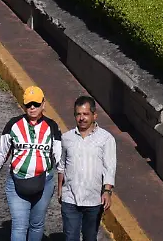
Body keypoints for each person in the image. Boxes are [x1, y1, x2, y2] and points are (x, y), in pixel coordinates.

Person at [0, 86, 64, 241]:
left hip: (44, 183)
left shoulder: (52, 127)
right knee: (19, 225)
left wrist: (63, 183)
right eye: (29, 104)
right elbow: (3, 151)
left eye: (36, 104)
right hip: (17, 183)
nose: (32, 108)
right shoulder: (13, 125)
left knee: (36, 224)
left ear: (43, 104)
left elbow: (59, 156)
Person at [58, 97, 116, 241]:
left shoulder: (106, 139)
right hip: (70, 198)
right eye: (78, 114)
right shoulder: (67, 138)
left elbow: (110, 167)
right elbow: (62, 166)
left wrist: (107, 191)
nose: (82, 118)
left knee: (90, 237)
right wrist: (60, 190)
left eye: (85, 114)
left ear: (94, 115)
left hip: (94, 200)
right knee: (70, 237)